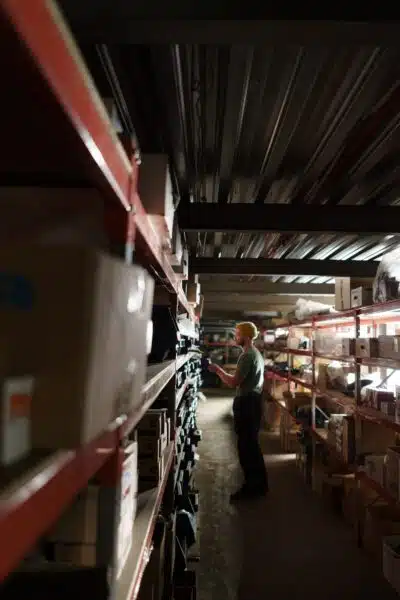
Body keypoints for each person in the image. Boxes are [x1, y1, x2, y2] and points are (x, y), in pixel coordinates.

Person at [208, 321, 268, 502]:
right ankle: (261, 485)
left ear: (247, 336)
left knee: (245, 447)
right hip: (254, 401)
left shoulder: (247, 356)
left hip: (247, 403)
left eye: (238, 334)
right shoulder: (256, 354)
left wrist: (218, 370)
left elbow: (233, 383)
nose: (236, 336)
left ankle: (251, 487)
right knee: (253, 446)